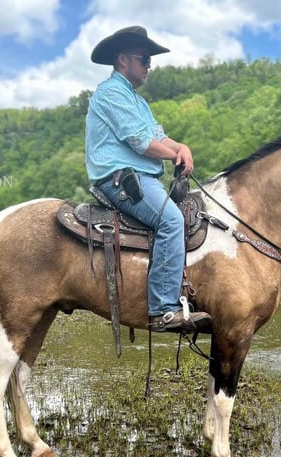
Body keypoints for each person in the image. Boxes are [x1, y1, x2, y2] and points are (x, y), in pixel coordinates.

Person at [85, 25, 211, 333]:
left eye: (150, 61)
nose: (149, 67)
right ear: (123, 60)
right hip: (121, 180)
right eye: (144, 59)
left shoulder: (138, 102)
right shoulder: (111, 93)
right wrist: (173, 155)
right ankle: (163, 309)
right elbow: (140, 142)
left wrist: (181, 148)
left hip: (142, 179)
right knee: (171, 221)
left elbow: (158, 136)